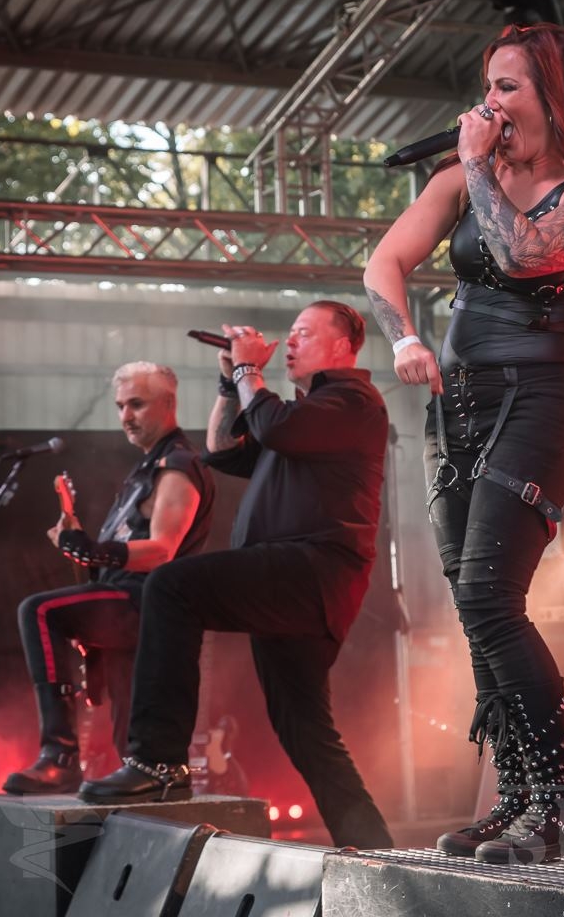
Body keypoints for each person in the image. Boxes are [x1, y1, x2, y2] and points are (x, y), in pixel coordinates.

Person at [363, 23, 564, 864]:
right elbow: (382, 263)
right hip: (457, 408)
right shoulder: (459, 178)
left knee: (488, 595)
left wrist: (475, 163)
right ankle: (517, 795)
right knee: (470, 605)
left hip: (538, 400)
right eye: (486, 87)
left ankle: (563, 802)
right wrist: (405, 336)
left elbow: (519, 256)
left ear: (554, 94)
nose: (489, 103)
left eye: (506, 87)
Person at [77, 301, 394, 851]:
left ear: (343, 345)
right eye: (290, 333)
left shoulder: (352, 401)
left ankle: (157, 761)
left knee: (172, 586)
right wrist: (231, 381)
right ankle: (375, 851)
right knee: (305, 731)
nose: (289, 342)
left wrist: (249, 370)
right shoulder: (299, 417)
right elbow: (222, 451)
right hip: (293, 584)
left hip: (310, 570)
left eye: (303, 332)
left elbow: (276, 427)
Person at [3, 362, 215, 795]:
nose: (126, 416)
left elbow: (162, 551)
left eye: (136, 404)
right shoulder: (145, 469)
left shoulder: (178, 464)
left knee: (40, 611)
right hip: (125, 604)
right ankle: (148, 798)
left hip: (144, 604)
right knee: (131, 746)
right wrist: (78, 543)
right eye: (120, 406)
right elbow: (110, 560)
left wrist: (90, 548)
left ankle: (60, 756)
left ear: (169, 403)